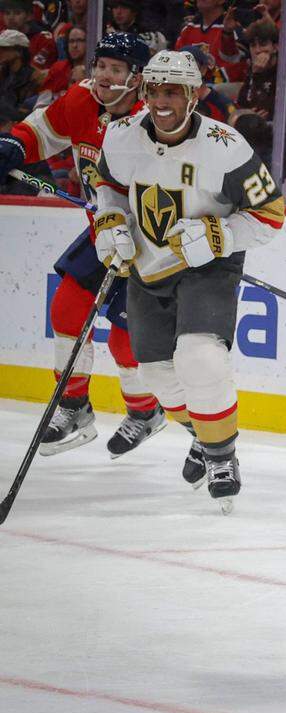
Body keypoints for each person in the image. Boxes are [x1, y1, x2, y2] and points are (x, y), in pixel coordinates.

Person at [93, 49, 284, 511]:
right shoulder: (120, 136)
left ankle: (222, 456)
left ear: (195, 95)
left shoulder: (226, 145)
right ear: (142, 91)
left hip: (209, 267)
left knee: (200, 358)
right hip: (148, 265)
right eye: (154, 90)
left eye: (173, 91)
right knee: (159, 375)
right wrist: (110, 222)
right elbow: (111, 186)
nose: (162, 101)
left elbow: (270, 216)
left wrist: (218, 234)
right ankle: (203, 433)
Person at [0, 32, 164, 457]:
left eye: (115, 69)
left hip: (154, 243)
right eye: (100, 66)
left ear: (138, 77)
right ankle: (74, 406)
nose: (104, 77)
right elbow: (42, 131)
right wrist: (15, 144)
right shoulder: (82, 99)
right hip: (102, 230)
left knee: (125, 342)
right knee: (67, 308)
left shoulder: (156, 120)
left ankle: (146, 412)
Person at [235, 20, 286, 121]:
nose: (257, 50)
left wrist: (254, 117)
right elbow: (243, 102)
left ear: (275, 47)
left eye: (263, 44)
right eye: (253, 45)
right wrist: (255, 74)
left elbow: (280, 112)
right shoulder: (254, 70)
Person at [174, 0, 246, 83]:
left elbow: (236, 66)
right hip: (191, 86)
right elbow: (176, 62)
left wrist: (227, 33)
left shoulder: (233, 28)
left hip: (222, 87)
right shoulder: (188, 29)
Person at [2, 0, 56, 70]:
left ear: (29, 16)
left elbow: (35, 72)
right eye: (7, 13)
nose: (11, 18)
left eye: (17, 13)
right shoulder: (2, 38)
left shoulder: (44, 40)